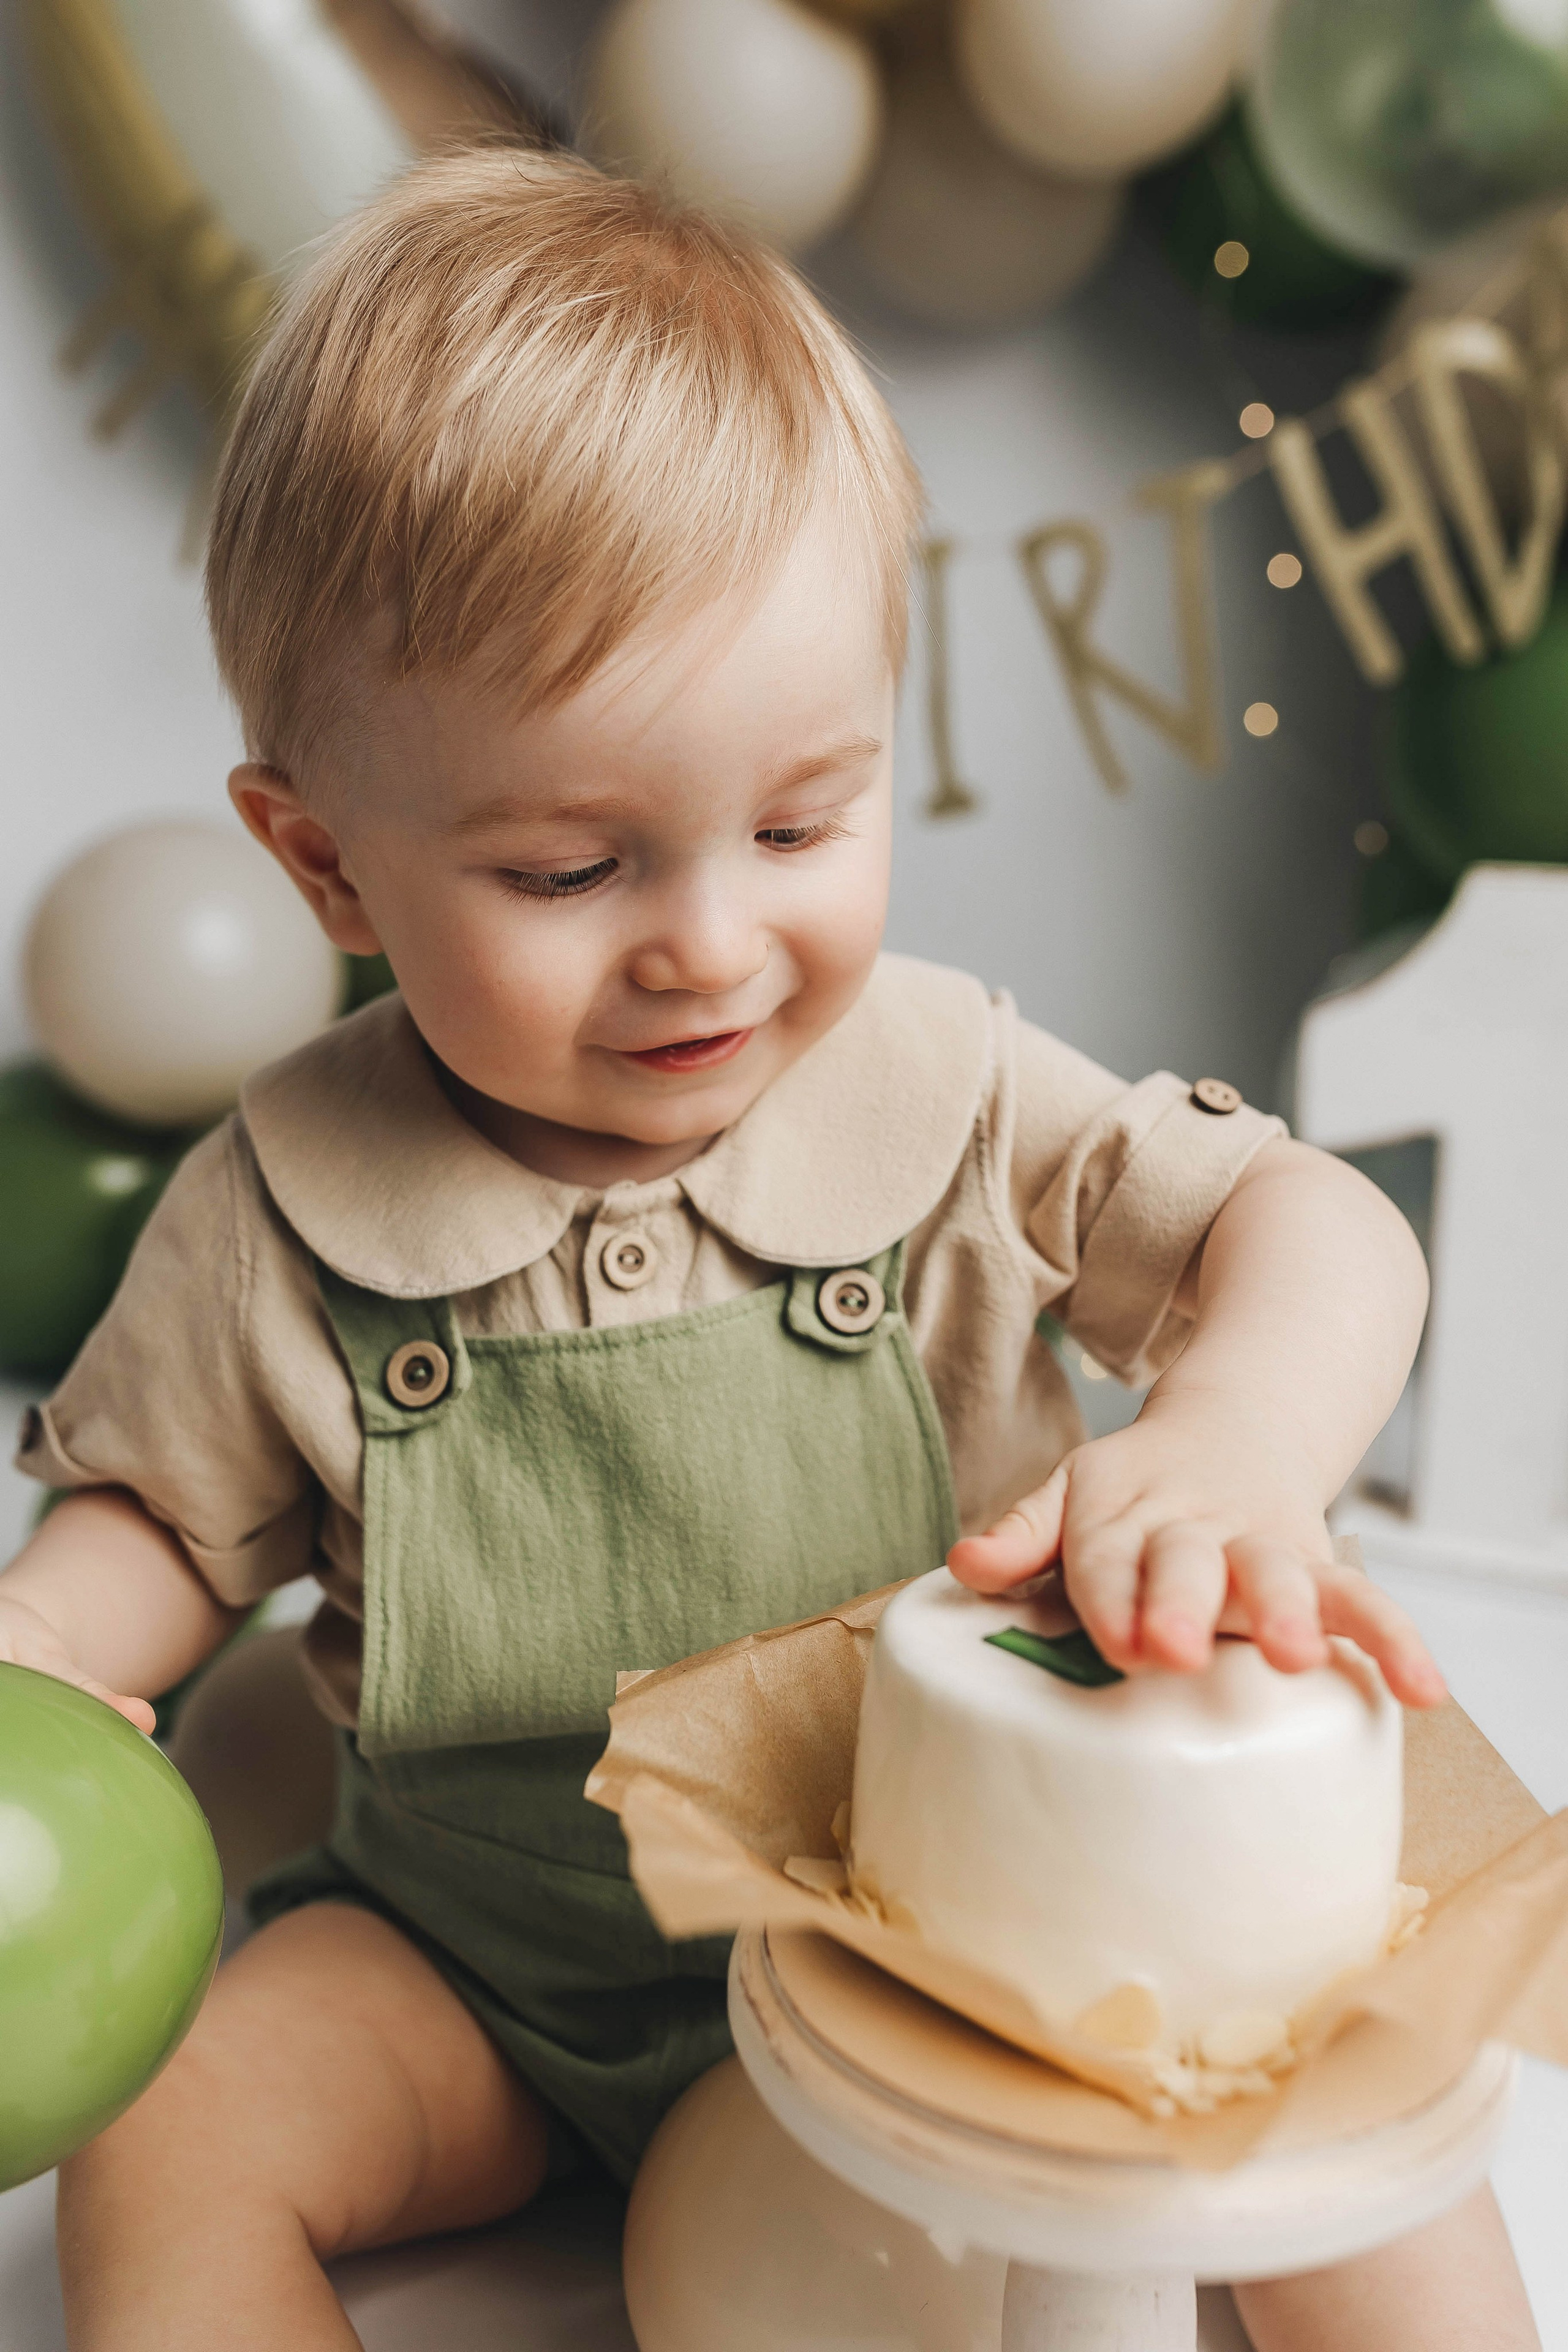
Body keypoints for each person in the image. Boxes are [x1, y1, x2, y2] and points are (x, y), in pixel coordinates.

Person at [0, 146, 1535, 2352]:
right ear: (325, 863)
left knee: (1328, 2088)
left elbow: (1320, 1229)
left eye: (804, 822)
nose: (709, 944)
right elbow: (165, 1515)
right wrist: (55, 1639)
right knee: (164, 2130)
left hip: (954, 1945)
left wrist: (1234, 1439)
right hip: (484, 1966)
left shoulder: (951, 1098)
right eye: (565, 871)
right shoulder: (290, 1192)